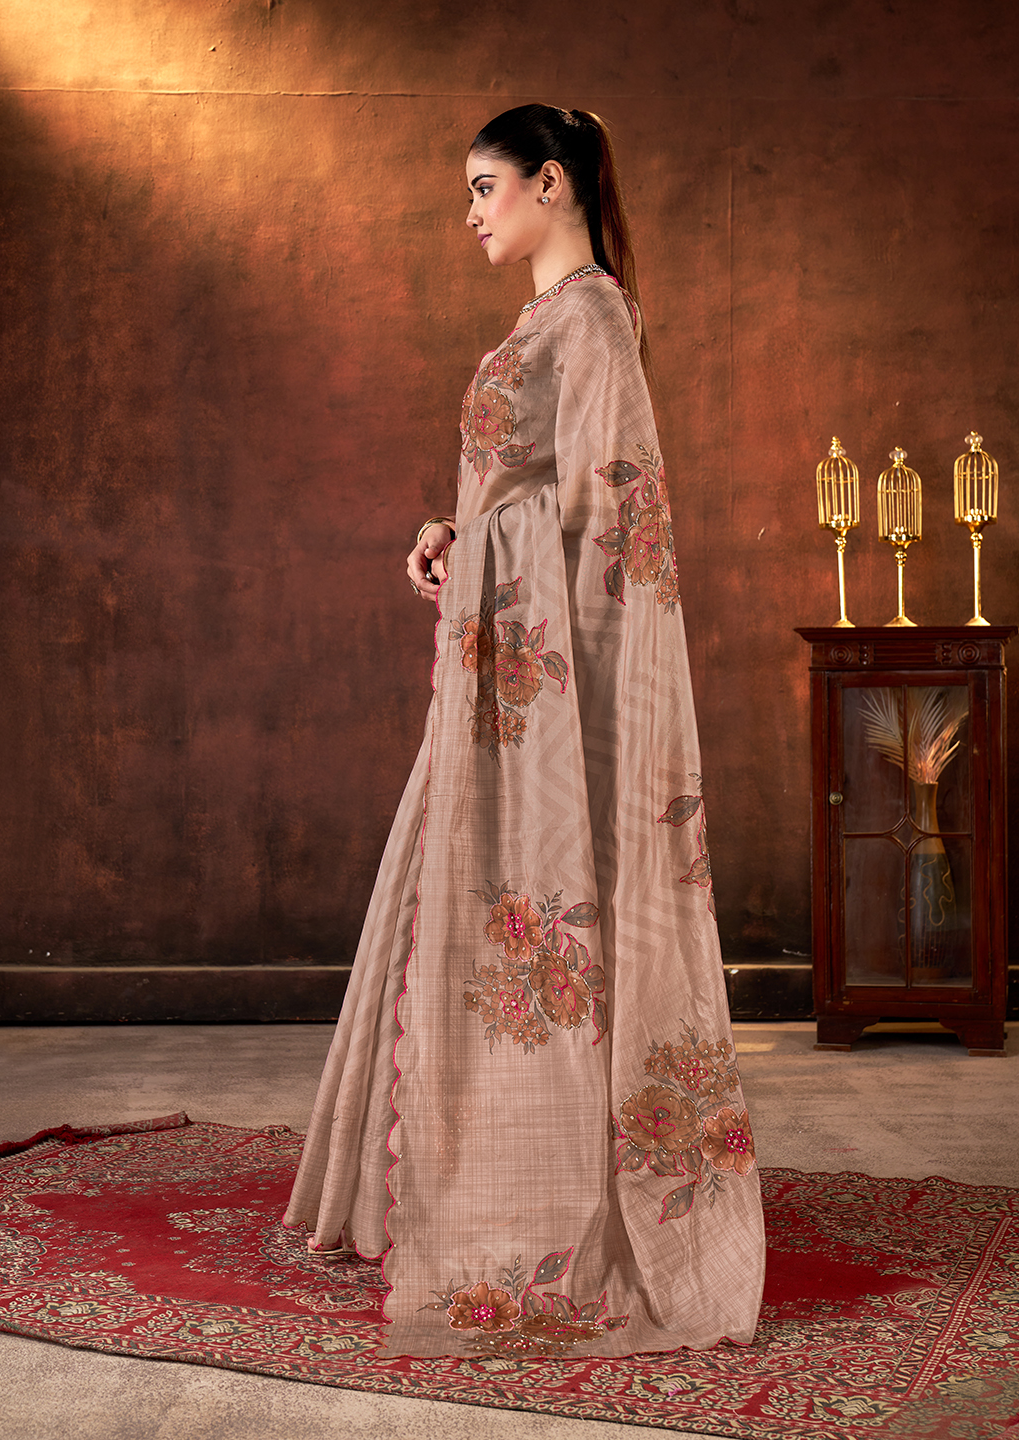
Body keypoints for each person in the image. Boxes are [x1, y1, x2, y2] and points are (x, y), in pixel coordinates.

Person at [283, 103, 765, 1359]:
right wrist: (458, 533)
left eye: (485, 186)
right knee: (454, 904)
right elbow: (532, 489)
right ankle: (447, 1186)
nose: (470, 212)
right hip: (497, 661)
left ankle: (548, 1211)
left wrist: (499, 560)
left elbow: (616, 525)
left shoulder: (593, 319)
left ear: (552, 183)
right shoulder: (544, 321)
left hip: (553, 691)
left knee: (530, 925)